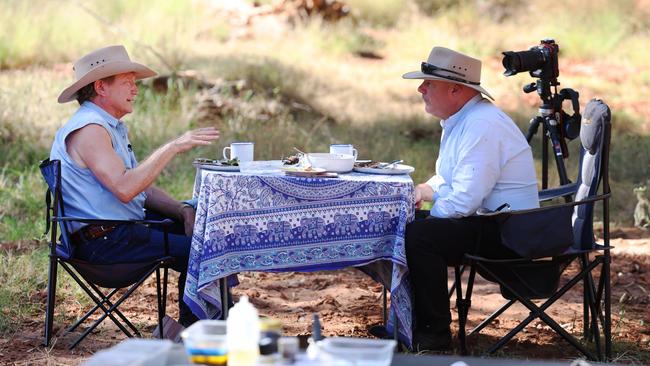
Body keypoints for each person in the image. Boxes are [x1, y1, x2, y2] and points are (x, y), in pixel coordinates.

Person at [50, 45, 220, 327]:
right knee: (205, 251)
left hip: (121, 232)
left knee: (207, 231)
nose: (135, 89)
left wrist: (182, 211)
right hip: (106, 245)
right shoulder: (90, 129)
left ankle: (212, 320)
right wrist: (173, 147)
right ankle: (200, 333)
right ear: (101, 86)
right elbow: (125, 188)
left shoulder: (110, 126)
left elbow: (140, 188)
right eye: (127, 82)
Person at [400, 47, 540, 351]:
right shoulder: (463, 119)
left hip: (511, 232)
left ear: (455, 88)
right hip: (491, 220)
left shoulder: (481, 124)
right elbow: (451, 180)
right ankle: (409, 323)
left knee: (419, 236)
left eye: (429, 83)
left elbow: (462, 202)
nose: (421, 88)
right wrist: (424, 191)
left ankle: (433, 334)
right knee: (408, 226)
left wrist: (425, 213)